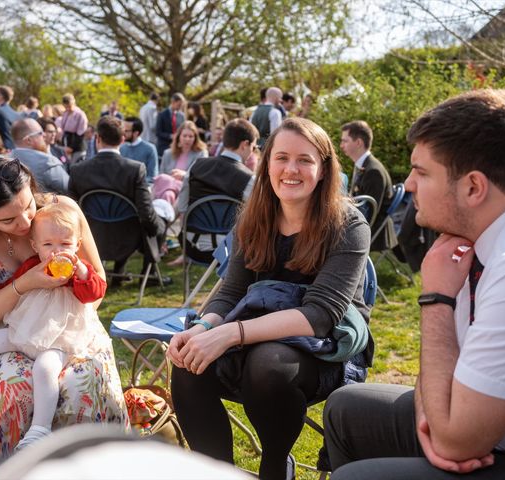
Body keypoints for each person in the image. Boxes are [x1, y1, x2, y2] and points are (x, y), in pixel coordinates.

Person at [324, 89, 505, 479]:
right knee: (347, 409)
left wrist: (437, 299)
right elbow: (443, 374)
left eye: (421, 172)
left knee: (356, 478)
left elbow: (456, 442)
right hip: (478, 425)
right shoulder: (489, 234)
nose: (407, 185)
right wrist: (435, 422)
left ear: (473, 188)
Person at [168, 117, 373, 480]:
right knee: (188, 363)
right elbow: (230, 293)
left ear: (323, 169)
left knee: (268, 363)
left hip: (323, 349)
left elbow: (320, 314)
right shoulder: (254, 219)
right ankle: (218, 473)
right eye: (281, 158)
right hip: (254, 334)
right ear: (266, 164)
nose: (291, 169)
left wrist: (231, 334)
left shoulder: (348, 226)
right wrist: (203, 327)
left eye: (304, 160)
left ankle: (275, 464)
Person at [0, 154, 127, 472]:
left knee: (85, 384)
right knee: (15, 389)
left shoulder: (62, 212)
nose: (24, 224)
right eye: (8, 221)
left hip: (70, 328)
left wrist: (59, 328)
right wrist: (24, 284)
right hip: (1, 330)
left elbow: (98, 284)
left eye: (27, 207)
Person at [0, 202, 110, 450]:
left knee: (45, 368)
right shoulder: (32, 266)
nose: (56, 251)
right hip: (27, 330)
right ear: (35, 246)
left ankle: (40, 428)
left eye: (65, 245)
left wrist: (81, 271)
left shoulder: (78, 273)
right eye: (48, 245)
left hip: (59, 337)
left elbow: (94, 292)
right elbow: (11, 288)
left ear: (77, 246)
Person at [68, 116, 170, 287]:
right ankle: (148, 276)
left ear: (97, 139)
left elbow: (70, 210)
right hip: (129, 237)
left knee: (127, 220)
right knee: (158, 222)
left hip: (91, 237)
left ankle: (119, 275)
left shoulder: (78, 170)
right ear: (123, 139)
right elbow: (146, 212)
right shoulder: (135, 169)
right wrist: (160, 227)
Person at [175, 118, 258, 262]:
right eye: (254, 147)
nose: (253, 152)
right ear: (245, 144)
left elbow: (182, 207)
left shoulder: (197, 165)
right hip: (231, 251)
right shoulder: (249, 179)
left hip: (191, 245)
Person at [340, 120, 397, 252]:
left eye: (345, 141)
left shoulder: (373, 171)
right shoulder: (364, 165)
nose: (341, 145)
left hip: (373, 232)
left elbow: (370, 213)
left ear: (358, 143)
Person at [153, 120, 207, 206]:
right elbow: (161, 176)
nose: (187, 139)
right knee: (168, 194)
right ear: (179, 137)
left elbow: (201, 177)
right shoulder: (168, 153)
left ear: (195, 138)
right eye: (184, 136)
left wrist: (184, 175)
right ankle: (167, 217)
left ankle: (163, 217)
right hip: (168, 191)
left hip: (189, 190)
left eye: (191, 136)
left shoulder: (201, 153)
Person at [12, 118, 70, 194]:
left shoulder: (5, 160)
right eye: (40, 133)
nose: (44, 135)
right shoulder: (47, 162)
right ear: (28, 140)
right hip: (48, 205)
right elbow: (70, 189)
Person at [120, 117, 159, 185]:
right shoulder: (121, 148)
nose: (123, 133)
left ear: (136, 133)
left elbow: (152, 177)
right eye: (122, 130)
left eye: (126, 131)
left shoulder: (150, 149)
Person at [58, 93, 88, 162]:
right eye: (66, 107)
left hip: (77, 144)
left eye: (69, 106)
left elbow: (81, 132)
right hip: (66, 142)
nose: (68, 108)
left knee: (75, 166)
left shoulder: (80, 114)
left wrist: (72, 147)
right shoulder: (65, 113)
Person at [155, 92, 186, 156]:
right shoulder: (162, 114)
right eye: (179, 105)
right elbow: (158, 132)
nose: (180, 107)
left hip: (178, 147)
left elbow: (184, 129)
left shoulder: (182, 116)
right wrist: (170, 136)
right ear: (173, 102)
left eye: (181, 105)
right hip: (164, 147)